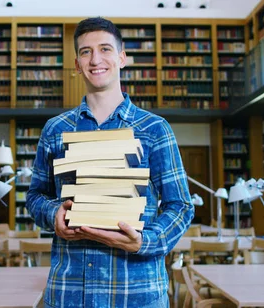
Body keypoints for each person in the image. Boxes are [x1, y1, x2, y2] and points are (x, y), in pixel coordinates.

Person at [26, 17, 194, 308]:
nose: (96, 59)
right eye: (85, 51)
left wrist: (145, 241)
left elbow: (180, 206)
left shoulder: (155, 129)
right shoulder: (55, 129)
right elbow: (35, 196)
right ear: (77, 64)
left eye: (105, 49)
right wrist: (53, 214)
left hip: (137, 293)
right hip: (69, 292)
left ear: (122, 58)